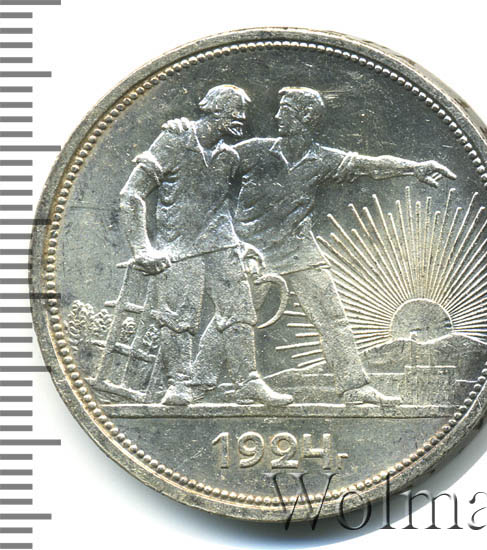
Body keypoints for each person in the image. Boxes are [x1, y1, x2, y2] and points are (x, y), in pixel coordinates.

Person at [227, 87, 457, 404]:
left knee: (334, 320)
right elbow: (206, 171)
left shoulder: (322, 159)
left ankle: (354, 387)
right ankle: (196, 383)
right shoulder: (255, 150)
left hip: (299, 251)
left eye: (286, 110)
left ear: (306, 117)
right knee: (232, 319)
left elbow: (371, 165)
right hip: (253, 252)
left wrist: (413, 168)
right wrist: (183, 137)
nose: (277, 116)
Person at [119, 84, 292, 406]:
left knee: (240, 313)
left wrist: (239, 244)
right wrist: (142, 249)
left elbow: (219, 207)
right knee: (177, 318)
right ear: (215, 110)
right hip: (179, 248)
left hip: (222, 245)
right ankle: (180, 384)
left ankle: (247, 382)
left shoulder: (228, 156)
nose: (242, 118)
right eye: (236, 111)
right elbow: (132, 194)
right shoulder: (174, 140)